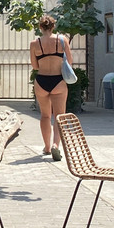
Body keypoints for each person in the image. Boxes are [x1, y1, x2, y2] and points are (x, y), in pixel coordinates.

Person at [30, 14, 72, 161]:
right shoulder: (62, 40)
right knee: (59, 116)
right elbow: (70, 61)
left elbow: (35, 66)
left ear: (40, 27)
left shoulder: (34, 43)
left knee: (45, 115)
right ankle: (55, 145)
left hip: (41, 80)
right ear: (53, 26)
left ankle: (47, 147)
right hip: (58, 80)